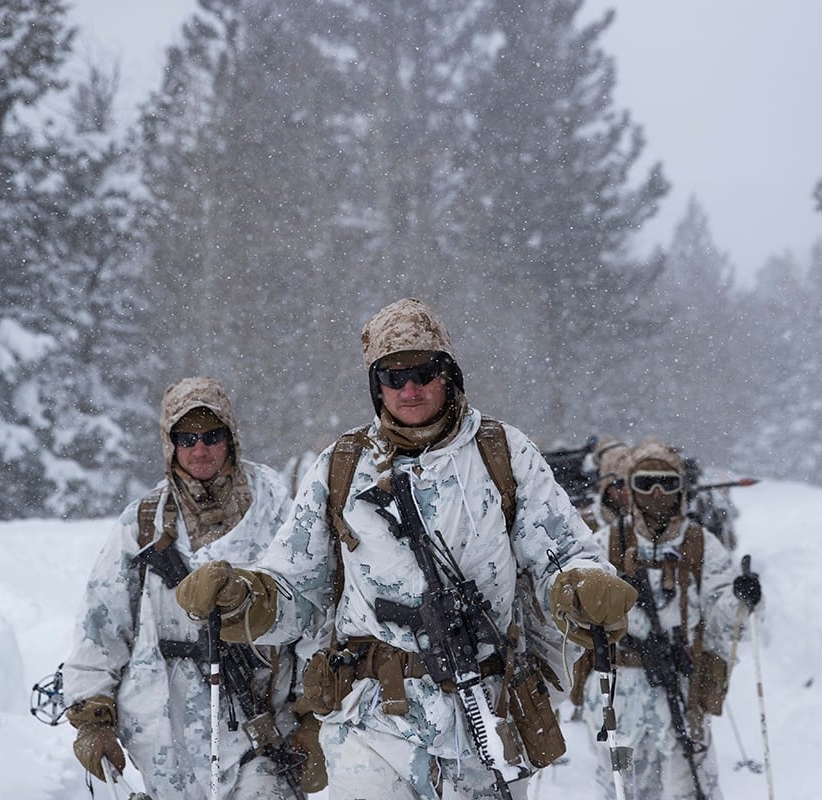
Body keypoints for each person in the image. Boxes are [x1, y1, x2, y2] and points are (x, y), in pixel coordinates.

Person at [175, 298, 637, 800]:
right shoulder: (342, 467)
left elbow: (562, 553)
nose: (410, 389)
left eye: (423, 372)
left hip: (484, 717)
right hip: (371, 725)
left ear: (450, 375)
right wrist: (246, 595)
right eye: (393, 377)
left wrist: (583, 585)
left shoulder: (502, 453)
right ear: (377, 387)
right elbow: (296, 586)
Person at [61, 377, 308, 800]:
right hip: (162, 743)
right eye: (186, 437)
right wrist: (92, 717)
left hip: (260, 733)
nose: (200, 449)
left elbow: (310, 611)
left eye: (212, 435)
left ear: (230, 438)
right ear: (169, 443)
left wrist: (313, 718)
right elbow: (101, 623)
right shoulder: (142, 525)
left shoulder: (279, 514)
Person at [575, 436, 761, 800]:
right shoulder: (603, 543)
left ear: (681, 490)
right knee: (624, 789)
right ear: (629, 487)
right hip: (620, 697)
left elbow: (725, 613)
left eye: (667, 484)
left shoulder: (700, 543)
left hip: (681, 685)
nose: (656, 493)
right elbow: (574, 614)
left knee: (691, 787)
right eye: (645, 484)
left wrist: (743, 599)